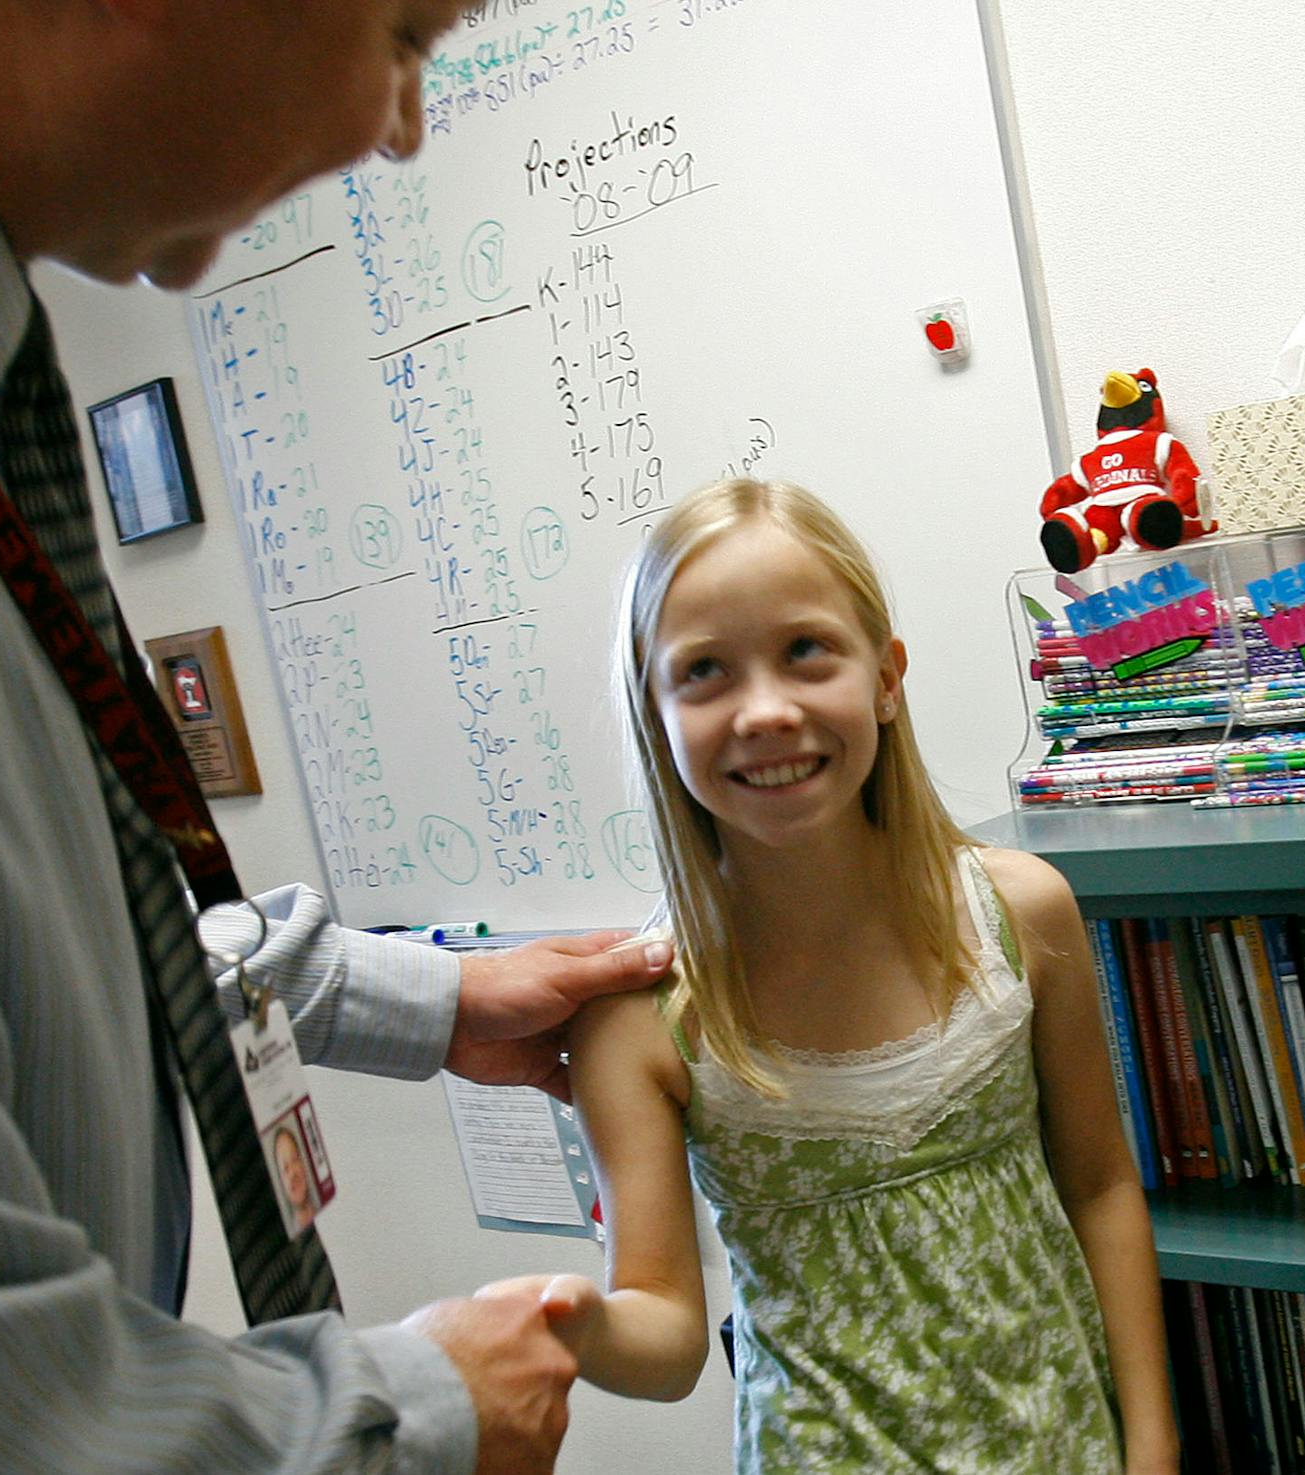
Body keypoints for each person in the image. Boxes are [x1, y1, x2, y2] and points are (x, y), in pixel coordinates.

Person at [0, 2, 673, 1472]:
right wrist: (411, 1404)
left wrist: (419, 996)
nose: (399, 127)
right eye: (404, 37)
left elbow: (47, 941)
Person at [480, 479, 1181, 1472]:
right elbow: (669, 1332)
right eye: (707, 672)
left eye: (806, 651)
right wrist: (563, 1320)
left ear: (887, 677)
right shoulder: (640, 1016)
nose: (766, 710)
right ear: (656, 710)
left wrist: (1151, 1444)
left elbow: (1103, 1182)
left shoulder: (1023, 914)